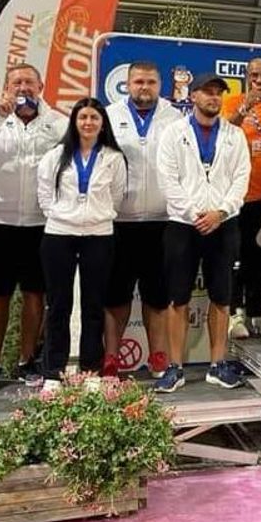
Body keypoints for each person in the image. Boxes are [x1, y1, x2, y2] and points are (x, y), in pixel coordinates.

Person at [155, 74, 251, 392]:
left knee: (221, 297)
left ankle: (217, 364)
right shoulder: (173, 133)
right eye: (208, 92)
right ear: (193, 96)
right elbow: (168, 179)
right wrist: (196, 214)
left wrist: (220, 212)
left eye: (218, 93)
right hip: (184, 224)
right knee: (177, 298)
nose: (214, 98)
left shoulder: (235, 135)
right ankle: (174, 367)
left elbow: (241, 179)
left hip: (223, 224)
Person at [0, 63, 67, 391]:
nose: (23, 87)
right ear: (6, 87)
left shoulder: (58, 123)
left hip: (41, 222)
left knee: (34, 296)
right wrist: (0, 118)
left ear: (41, 86)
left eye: (29, 81)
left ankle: (28, 360)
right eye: (17, 82)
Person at [36, 99, 127, 380]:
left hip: (99, 236)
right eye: (83, 117)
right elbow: (44, 196)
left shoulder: (113, 157)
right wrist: (65, 216)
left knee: (93, 306)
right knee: (58, 306)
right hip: (59, 235)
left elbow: (117, 195)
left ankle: (90, 371)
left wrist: (96, 216)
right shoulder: (55, 156)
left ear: (103, 123)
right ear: (74, 122)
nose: (88, 123)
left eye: (94, 118)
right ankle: (54, 371)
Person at [103, 61, 179, 378]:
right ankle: (110, 359)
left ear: (159, 84)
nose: (143, 87)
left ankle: (158, 357)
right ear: (127, 84)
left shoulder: (174, 117)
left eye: (149, 82)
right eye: (138, 82)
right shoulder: (109, 115)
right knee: (115, 297)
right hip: (119, 221)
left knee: (158, 297)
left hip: (162, 221)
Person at [222, 58, 261, 339]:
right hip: (238, 196)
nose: (260, 79)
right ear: (246, 77)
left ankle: (257, 308)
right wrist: (245, 107)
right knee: (237, 257)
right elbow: (224, 134)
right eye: (255, 74)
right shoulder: (232, 101)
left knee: (260, 257)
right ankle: (236, 312)